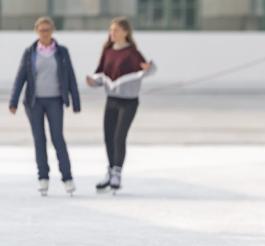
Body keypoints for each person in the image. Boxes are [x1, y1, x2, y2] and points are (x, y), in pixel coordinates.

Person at [9, 16, 81, 196]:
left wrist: (76, 101)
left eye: (47, 30)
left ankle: (67, 177)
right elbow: (21, 77)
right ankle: (43, 177)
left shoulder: (62, 52)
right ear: (36, 32)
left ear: (53, 30)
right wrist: (13, 101)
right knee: (39, 140)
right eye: (41, 30)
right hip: (35, 102)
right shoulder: (30, 52)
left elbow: (70, 76)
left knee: (58, 138)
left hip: (55, 101)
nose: (45, 33)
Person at [86, 17, 155, 193]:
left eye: (116, 30)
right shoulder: (107, 51)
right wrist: (92, 82)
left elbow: (146, 71)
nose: (112, 33)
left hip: (129, 101)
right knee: (108, 137)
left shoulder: (132, 52)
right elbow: (101, 74)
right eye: (111, 30)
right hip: (112, 100)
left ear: (125, 32)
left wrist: (149, 68)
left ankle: (117, 172)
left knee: (119, 137)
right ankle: (109, 171)